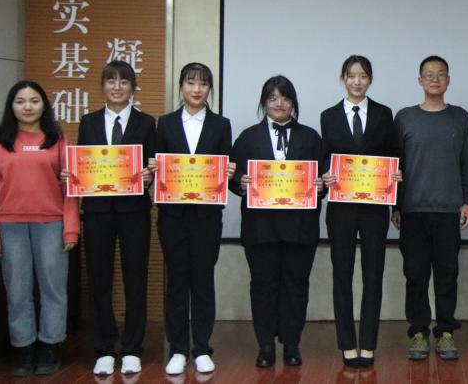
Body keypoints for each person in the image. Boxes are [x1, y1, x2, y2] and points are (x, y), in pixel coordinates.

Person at [0, 80, 78, 377]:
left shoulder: (57, 139)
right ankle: (23, 348)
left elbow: (71, 188)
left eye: (34, 101)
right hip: (10, 225)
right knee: (17, 289)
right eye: (20, 101)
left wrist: (71, 228)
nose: (27, 107)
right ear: (11, 106)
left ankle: (49, 345)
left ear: (44, 105)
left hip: (52, 224)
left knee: (53, 288)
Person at [230, 76, 323, 368]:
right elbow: (232, 177)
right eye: (272, 98)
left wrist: (321, 185)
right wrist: (240, 182)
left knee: (296, 285)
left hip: (300, 227)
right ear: (264, 103)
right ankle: (265, 345)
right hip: (260, 228)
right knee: (263, 286)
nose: (279, 103)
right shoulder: (247, 137)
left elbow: (325, 178)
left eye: (284, 98)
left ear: (293, 102)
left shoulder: (311, 137)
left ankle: (292, 343)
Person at [151, 62, 235, 375]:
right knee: (176, 282)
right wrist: (155, 169)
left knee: (202, 281)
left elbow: (226, 168)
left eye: (202, 84)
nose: (196, 89)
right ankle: (177, 349)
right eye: (190, 83)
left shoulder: (221, 125)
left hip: (206, 218)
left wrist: (229, 171)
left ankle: (201, 348)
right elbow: (158, 169)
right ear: (181, 86)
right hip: (172, 217)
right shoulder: (165, 123)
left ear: (210, 88)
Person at [75, 61, 156, 376]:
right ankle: (104, 348)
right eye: (111, 81)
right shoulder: (89, 122)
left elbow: (152, 165)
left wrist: (149, 176)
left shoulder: (146, 123)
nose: (117, 87)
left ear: (133, 87)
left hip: (134, 211)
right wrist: (75, 174)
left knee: (136, 279)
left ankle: (133, 347)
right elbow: (85, 164)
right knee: (99, 279)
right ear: (103, 86)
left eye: (124, 81)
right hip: (97, 212)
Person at [320, 55, 401, 367]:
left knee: (373, 274)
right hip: (340, 208)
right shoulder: (328, 116)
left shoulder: (383, 114)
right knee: (342, 274)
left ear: (370, 79)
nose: (357, 81)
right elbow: (325, 157)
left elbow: (394, 155)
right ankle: (346, 343)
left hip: (374, 208)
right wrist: (326, 175)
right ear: (343, 78)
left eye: (363, 75)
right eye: (351, 75)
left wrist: (396, 176)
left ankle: (368, 343)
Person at [393, 56, 468, 361]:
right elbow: (396, 166)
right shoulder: (404, 118)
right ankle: (418, 332)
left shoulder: (460, 117)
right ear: (420, 81)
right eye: (429, 75)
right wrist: (396, 206)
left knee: (447, 274)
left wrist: (466, 200)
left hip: (448, 209)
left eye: (440, 74)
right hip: (412, 210)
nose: (435, 79)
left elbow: (466, 162)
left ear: (448, 80)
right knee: (415, 274)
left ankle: (446, 331)